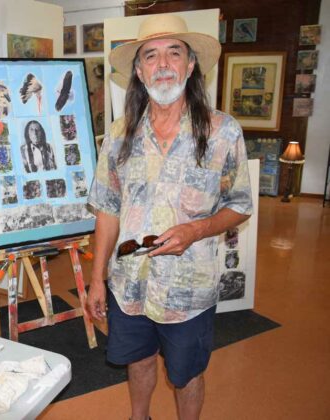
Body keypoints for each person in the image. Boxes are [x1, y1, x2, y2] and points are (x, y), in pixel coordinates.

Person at [86, 14, 253, 420]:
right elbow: (107, 209)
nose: (162, 64)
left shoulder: (222, 132)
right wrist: (95, 280)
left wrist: (197, 229)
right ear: (139, 72)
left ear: (190, 64)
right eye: (151, 56)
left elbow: (239, 203)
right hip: (129, 286)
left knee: (187, 374)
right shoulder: (119, 134)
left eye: (173, 53)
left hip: (188, 291)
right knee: (138, 361)